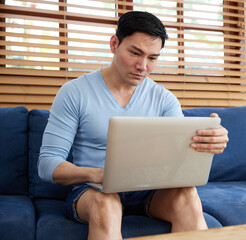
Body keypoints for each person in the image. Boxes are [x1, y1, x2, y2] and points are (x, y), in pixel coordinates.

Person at [38, 11, 229, 240]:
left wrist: (208, 143)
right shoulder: (74, 93)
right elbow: (48, 165)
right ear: (114, 44)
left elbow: (181, 161)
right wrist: (101, 175)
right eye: (135, 53)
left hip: (149, 192)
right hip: (94, 192)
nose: (142, 66)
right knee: (106, 203)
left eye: (152, 58)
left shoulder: (164, 99)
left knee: (187, 195)